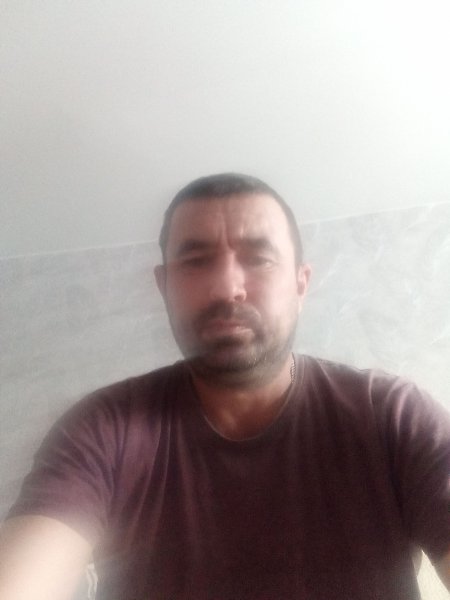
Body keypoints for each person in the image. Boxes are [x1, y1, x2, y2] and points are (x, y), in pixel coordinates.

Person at [0, 173, 449, 600]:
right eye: (195, 261)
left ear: (300, 285)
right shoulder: (102, 429)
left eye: (259, 258)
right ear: (164, 287)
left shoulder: (392, 416)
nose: (227, 287)